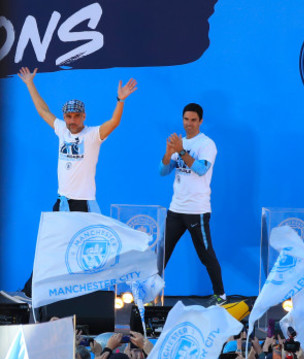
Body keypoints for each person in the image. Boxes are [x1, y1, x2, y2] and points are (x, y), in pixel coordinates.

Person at [10, 67, 137, 301]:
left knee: (87, 253)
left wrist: (120, 100)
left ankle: (95, 297)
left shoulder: (92, 135)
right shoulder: (61, 131)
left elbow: (114, 122)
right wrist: (29, 83)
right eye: (68, 116)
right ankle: (30, 293)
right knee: (50, 248)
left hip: (83, 205)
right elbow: (42, 110)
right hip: (63, 202)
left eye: (76, 116)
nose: (72, 120)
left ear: (84, 116)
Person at [160, 103, 226, 306]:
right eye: (186, 119)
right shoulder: (178, 142)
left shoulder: (207, 144)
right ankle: (149, 294)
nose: (189, 124)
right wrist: (168, 151)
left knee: (206, 254)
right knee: (161, 254)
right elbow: (163, 171)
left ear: (201, 121)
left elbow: (200, 169)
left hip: (197, 210)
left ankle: (220, 296)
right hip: (175, 209)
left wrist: (180, 151)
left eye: (193, 120)